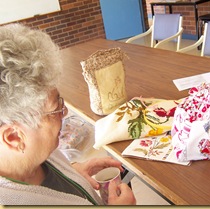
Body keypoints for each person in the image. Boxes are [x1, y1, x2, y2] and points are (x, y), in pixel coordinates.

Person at [0, 23, 136, 205]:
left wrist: (72, 172)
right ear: (14, 136)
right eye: (56, 109)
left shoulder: (33, 155)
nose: (64, 112)